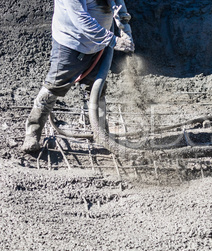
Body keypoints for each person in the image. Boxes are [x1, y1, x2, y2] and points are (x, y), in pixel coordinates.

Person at [21, 0, 134, 153]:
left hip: (99, 43)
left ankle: (101, 132)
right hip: (71, 42)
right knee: (54, 86)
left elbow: (117, 2)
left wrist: (125, 27)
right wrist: (113, 40)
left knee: (97, 88)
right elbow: (81, 19)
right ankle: (32, 132)